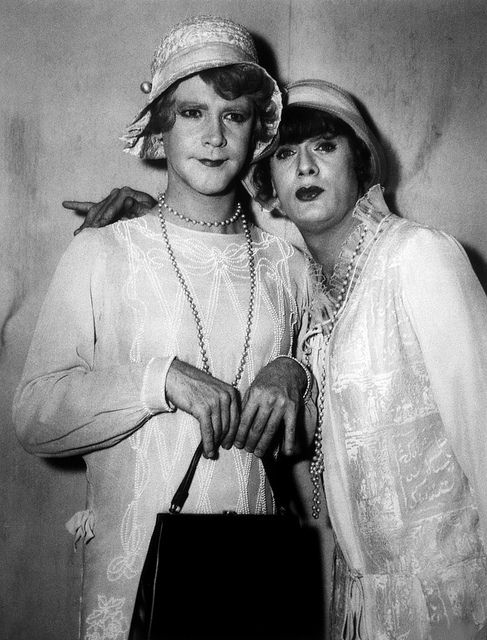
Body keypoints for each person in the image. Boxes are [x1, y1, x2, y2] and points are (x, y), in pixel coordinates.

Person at [78, 79, 487, 639]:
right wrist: (164, 217)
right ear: (268, 181)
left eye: (325, 146)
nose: (306, 169)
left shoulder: (419, 257)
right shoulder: (314, 295)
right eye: (287, 155)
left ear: (363, 162)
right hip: (364, 609)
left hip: (454, 603)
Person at [12, 17, 316, 640]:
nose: (213, 135)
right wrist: (161, 379)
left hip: (258, 585)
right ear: (160, 129)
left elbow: (335, 430)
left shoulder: (289, 264)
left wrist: (295, 373)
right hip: (135, 595)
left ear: (257, 130)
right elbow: (35, 417)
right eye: (191, 112)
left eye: (233, 115)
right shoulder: (104, 253)